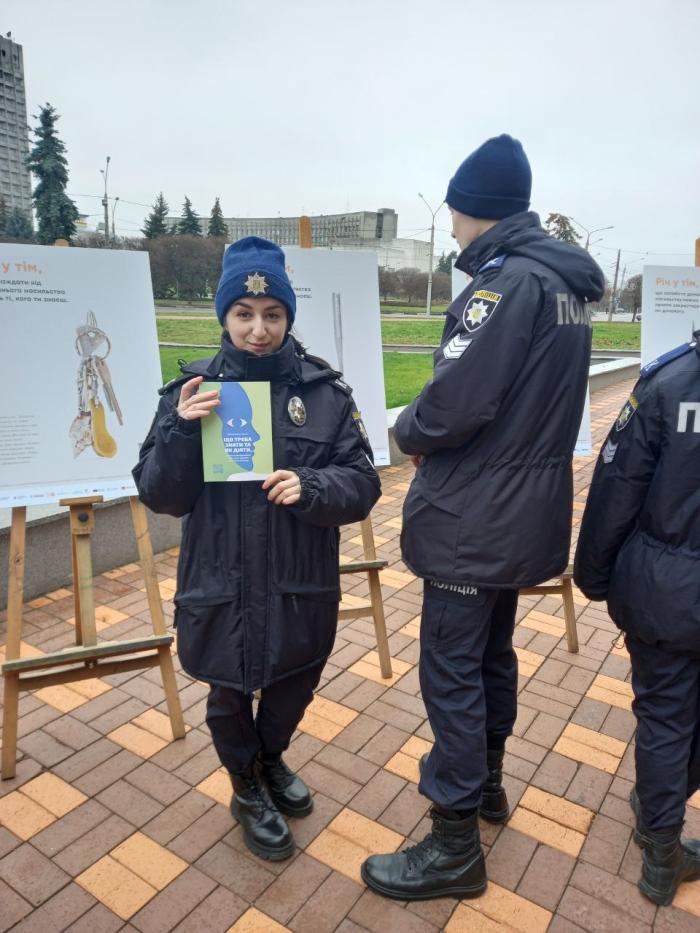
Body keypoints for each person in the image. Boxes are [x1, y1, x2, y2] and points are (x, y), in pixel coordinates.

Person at [361, 134, 605, 901]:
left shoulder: (505, 283)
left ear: (477, 209)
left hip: (474, 515)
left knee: (452, 672)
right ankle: (489, 783)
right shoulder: (561, 283)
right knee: (490, 656)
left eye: (456, 210)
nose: (453, 223)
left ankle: (453, 844)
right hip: (524, 510)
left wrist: (406, 430)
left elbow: (458, 400)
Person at [133, 236, 380, 862]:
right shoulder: (190, 393)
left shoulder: (325, 393)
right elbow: (160, 494)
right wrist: (181, 431)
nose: (259, 329)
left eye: (272, 314)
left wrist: (313, 486)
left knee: (296, 681)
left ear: (288, 316)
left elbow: (363, 482)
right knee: (227, 689)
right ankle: (245, 785)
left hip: (301, 580)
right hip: (220, 578)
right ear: (225, 316)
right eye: (244, 314)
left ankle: (270, 759)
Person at [574, 333, 700, 906]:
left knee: (666, 718)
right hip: (671, 587)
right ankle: (660, 809)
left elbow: (617, 487)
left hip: (666, 593)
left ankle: (660, 844)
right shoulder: (670, 381)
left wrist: (594, 575)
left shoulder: (668, 383)